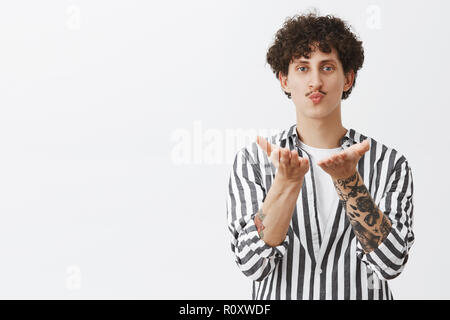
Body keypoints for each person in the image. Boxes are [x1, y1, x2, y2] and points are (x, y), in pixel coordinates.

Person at [225, 12, 414, 300]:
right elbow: (253, 265)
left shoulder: (389, 163)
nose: (315, 81)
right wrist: (285, 185)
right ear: (284, 80)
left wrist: (349, 182)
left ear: (348, 78)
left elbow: (391, 264)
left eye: (327, 68)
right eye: (302, 68)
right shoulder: (253, 161)